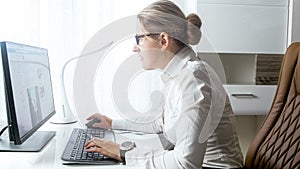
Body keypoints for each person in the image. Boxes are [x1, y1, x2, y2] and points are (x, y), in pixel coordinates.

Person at [84, 0, 244, 168]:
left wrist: (123, 152)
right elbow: (161, 124)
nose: (134, 47)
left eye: (139, 38)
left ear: (163, 41)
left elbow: (185, 164)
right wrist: (112, 124)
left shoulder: (193, 78)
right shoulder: (176, 73)